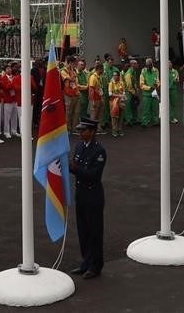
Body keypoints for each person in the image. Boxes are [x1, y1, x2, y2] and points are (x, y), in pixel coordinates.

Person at [69, 118, 106, 279]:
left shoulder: (99, 151)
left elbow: (93, 175)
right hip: (81, 194)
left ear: (92, 131)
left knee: (94, 231)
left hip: (93, 195)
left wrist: (75, 169)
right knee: (83, 231)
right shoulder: (79, 146)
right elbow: (76, 168)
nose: (80, 132)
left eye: (83, 130)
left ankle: (95, 265)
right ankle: (86, 261)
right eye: (79, 130)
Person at [138, 58, 159, 127]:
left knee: (155, 108)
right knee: (146, 109)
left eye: (150, 65)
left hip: (154, 93)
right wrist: (149, 88)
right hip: (146, 94)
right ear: (146, 65)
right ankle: (144, 122)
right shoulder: (143, 71)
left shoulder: (155, 70)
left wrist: (158, 85)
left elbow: (158, 80)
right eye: (148, 65)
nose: (149, 67)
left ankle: (155, 121)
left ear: (152, 64)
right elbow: (141, 84)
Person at [107, 70, 125, 137]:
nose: (114, 77)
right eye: (113, 75)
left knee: (121, 115)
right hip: (113, 102)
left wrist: (121, 97)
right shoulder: (111, 83)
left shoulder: (121, 83)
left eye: (116, 75)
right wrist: (119, 96)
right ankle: (114, 130)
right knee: (114, 116)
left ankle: (120, 129)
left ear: (118, 76)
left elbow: (123, 92)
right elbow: (110, 94)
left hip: (120, 101)